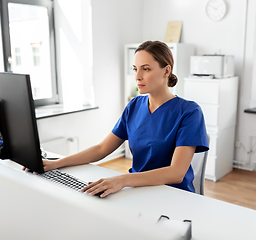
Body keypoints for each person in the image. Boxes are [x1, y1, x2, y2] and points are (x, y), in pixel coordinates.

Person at [32, 40, 209, 198]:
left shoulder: (189, 112)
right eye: (135, 69)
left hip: (174, 196)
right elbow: (102, 149)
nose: (137, 76)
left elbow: (176, 173)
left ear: (166, 71)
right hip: (137, 190)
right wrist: (56, 163)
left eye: (146, 69)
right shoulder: (134, 106)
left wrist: (122, 180)